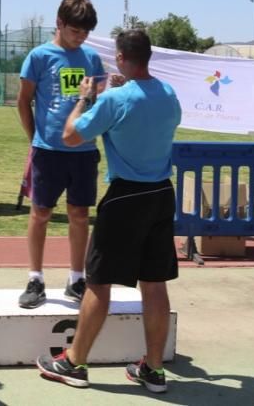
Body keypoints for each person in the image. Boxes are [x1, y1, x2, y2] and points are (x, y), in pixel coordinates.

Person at [36, 29, 181, 394]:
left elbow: (70, 135)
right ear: (148, 57)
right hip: (162, 193)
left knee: (98, 282)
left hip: (125, 196)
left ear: (120, 58)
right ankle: (154, 368)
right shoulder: (169, 94)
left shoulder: (115, 99)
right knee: (154, 283)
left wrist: (85, 99)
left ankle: (73, 362)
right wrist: (114, 94)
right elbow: (143, 112)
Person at [16, 0, 105, 308]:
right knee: (40, 213)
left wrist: (94, 95)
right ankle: (35, 278)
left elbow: (96, 104)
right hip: (47, 151)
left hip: (83, 151)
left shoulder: (92, 59)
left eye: (85, 33)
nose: (80, 37)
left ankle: (76, 277)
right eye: (75, 31)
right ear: (60, 23)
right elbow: (23, 101)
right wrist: (35, 138)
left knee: (79, 215)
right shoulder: (39, 56)